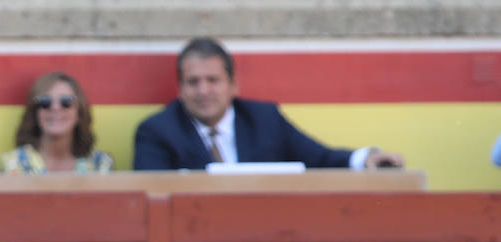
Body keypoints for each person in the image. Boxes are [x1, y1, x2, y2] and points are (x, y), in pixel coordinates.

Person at [133, 37, 404, 171]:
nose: (203, 90)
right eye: (193, 82)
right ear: (180, 88)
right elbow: (152, 189)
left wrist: (365, 158)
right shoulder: (157, 131)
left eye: (213, 80)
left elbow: (318, 157)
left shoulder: (265, 119)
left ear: (233, 84)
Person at [1, 71, 113, 174]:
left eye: (66, 101)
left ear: (79, 112)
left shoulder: (100, 164)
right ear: (35, 112)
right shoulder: (13, 163)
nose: (55, 107)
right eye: (45, 102)